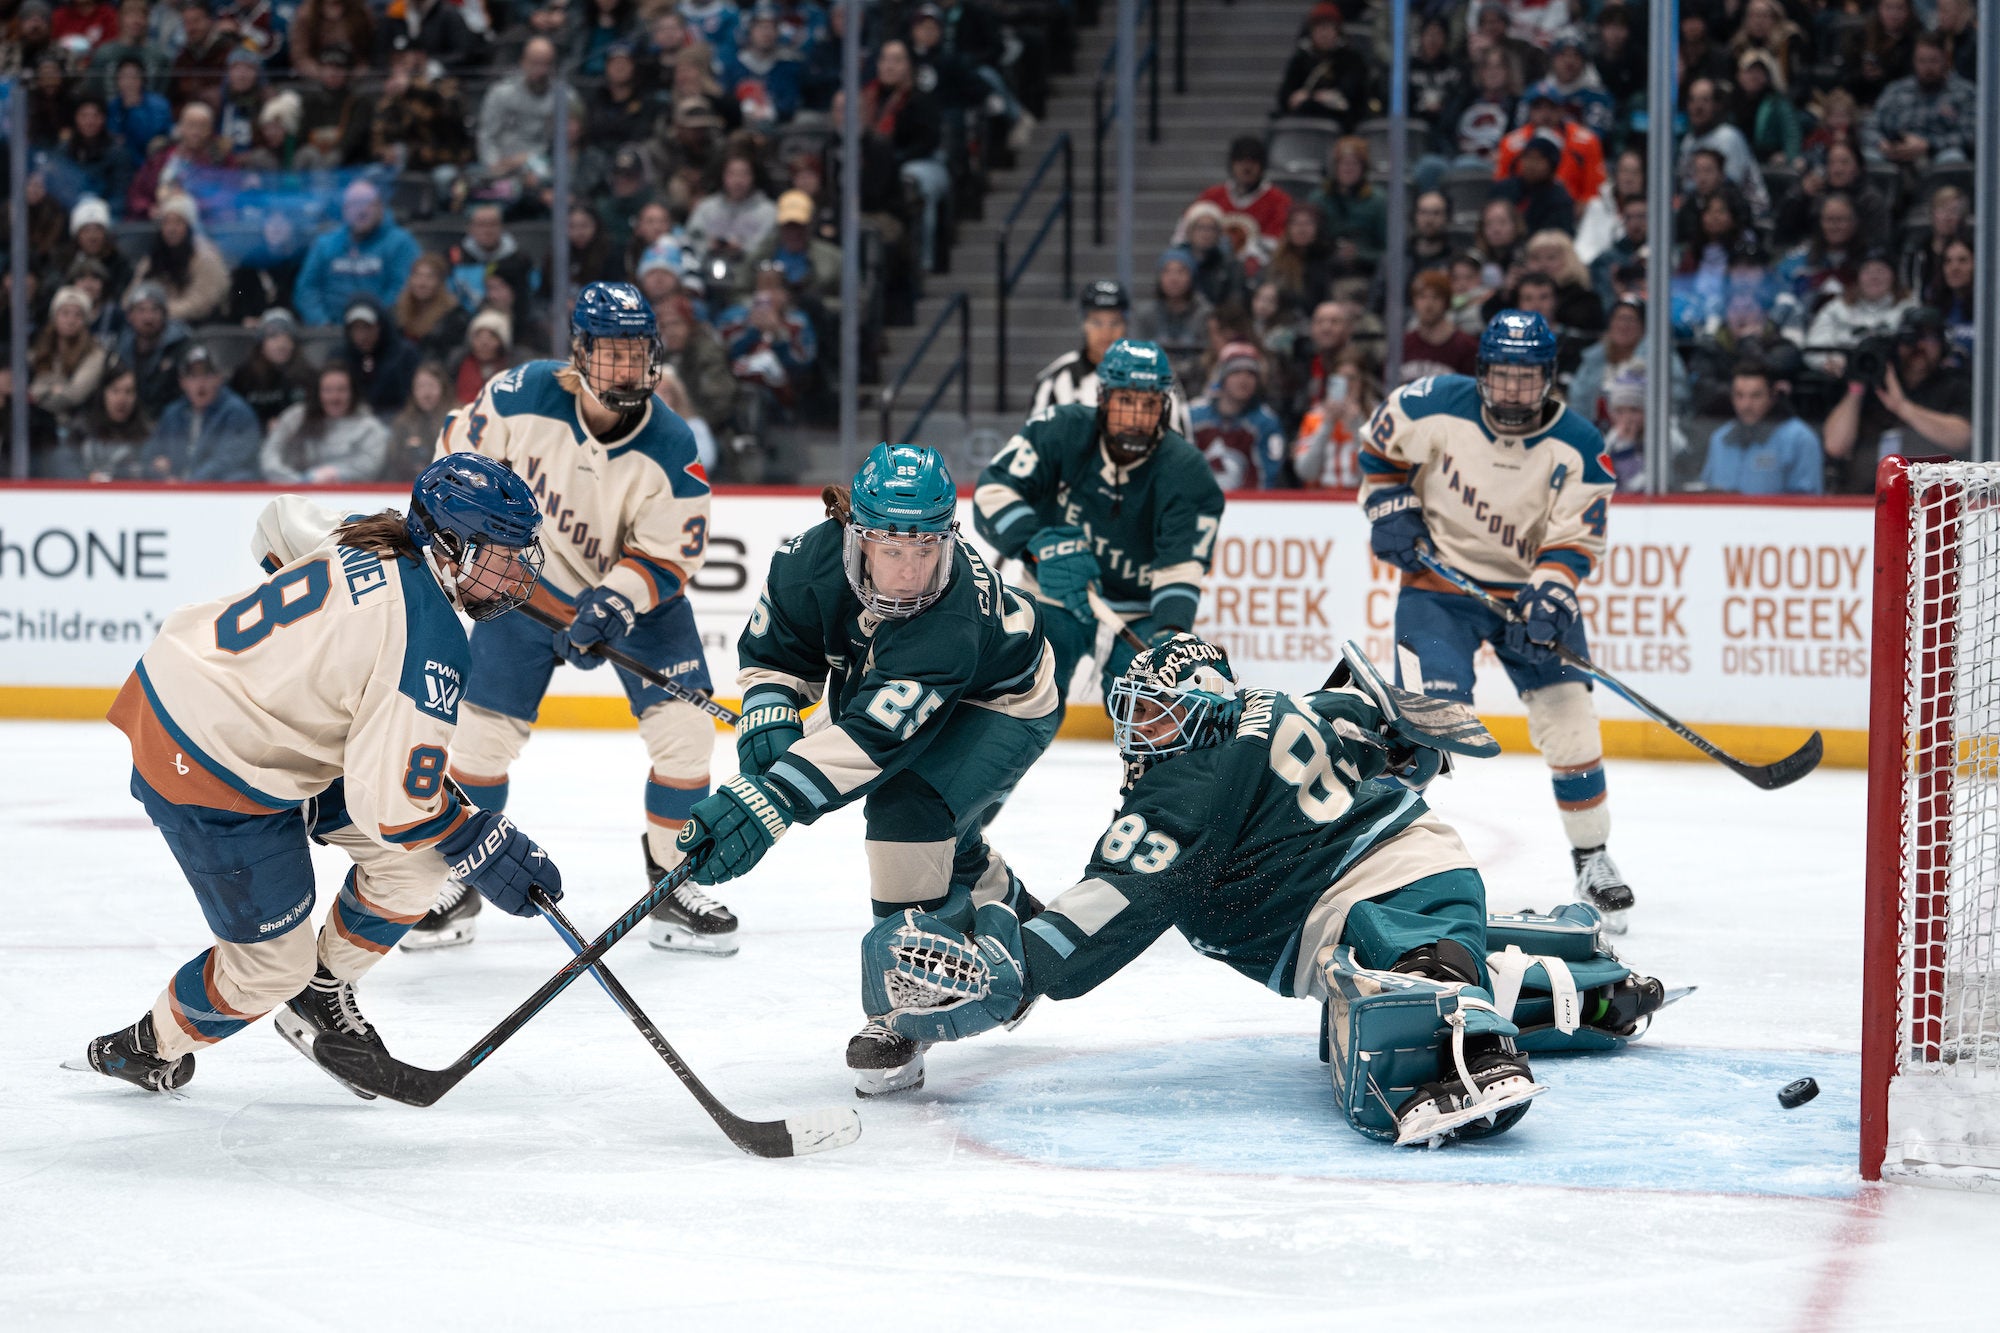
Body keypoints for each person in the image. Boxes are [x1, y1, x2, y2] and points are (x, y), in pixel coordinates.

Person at [849, 634, 1676, 1146]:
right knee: (1376, 984)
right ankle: (1585, 985)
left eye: (1160, 718)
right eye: (1140, 721)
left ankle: (1473, 1048)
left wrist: (1007, 966)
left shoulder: (1186, 787)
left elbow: (1093, 923)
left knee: (1397, 1008)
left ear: (1201, 707)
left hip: (1370, 897)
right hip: (1411, 868)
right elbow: (1385, 725)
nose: (1144, 740)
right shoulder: (1280, 703)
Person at [80, 455, 562, 1096]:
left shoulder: (375, 530)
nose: (515, 570)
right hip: (206, 756)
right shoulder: (433, 637)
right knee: (268, 971)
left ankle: (321, 992)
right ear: (448, 547)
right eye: (500, 552)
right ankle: (148, 1045)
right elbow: (393, 804)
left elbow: (278, 522)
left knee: (416, 866)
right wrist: (480, 841)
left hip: (240, 716)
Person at [666, 443, 1058, 1096]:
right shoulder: (805, 561)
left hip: (1003, 703)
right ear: (856, 536)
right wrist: (769, 716)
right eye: (892, 548)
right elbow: (776, 652)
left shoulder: (949, 618)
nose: (910, 570)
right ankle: (1009, 906)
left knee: (908, 811)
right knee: (843, 787)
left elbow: (875, 741)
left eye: (926, 548)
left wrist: (769, 802)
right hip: (904, 696)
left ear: (947, 538)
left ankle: (902, 1011)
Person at [414, 282, 736, 956]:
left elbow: (674, 547)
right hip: (522, 590)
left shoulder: (671, 443)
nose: (626, 369)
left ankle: (673, 883)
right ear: (580, 354)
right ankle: (462, 876)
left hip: (637, 607)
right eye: (612, 354)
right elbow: (454, 459)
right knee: (478, 743)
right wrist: (484, 549)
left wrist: (619, 597)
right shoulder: (517, 395)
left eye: (636, 354)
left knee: (686, 735)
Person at [1359, 310, 1636, 930]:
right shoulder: (1431, 403)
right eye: (1503, 377)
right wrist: (1391, 507)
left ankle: (1592, 857)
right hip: (1438, 586)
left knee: (1571, 726)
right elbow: (1379, 447)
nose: (1513, 392)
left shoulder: (1582, 444)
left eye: (1527, 378)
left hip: (1531, 593)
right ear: (1482, 373)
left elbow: (1576, 539)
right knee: (1424, 723)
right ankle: (1377, 858)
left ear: (1549, 379)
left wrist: (1550, 593)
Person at [975, 339, 1225, 711]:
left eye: (1149, 405)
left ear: (1164, 407)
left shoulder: (1187, 471)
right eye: (1126, 401)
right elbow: (993, 490)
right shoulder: (1060, 429)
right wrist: (1036, 546)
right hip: (1052, 597)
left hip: (1138, 612)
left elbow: (1180, 567)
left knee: (1162, 706)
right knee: (1017, 692)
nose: (1136, 417)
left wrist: (1171, 633)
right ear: (1105, 398)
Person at [1823, 306, 1972, 494]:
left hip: (1928, 500)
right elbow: (1835, 446)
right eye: (1912, 337)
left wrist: (1902, 407)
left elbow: (1962, 438)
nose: (1919, 346)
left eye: (1929, 338)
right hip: (1863, 499)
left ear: (1943, 343)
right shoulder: (1873, 383)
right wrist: (1857, 383)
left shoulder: (1954, 385)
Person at [1032, 279, 1193, 439]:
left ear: (1126, 324)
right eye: (1096, 322)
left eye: (1115, 322)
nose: (1106, 332)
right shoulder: (1056, 377)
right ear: (1083, 324)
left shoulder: (1155, 373)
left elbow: (1181, 442)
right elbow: (1035, 443)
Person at [293, 180, 421, 328]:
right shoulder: (326, 243)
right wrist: (322, 322)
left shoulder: (401, 243)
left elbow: (402, 289)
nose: (362, 211)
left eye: (368, 204)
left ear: (380, 208)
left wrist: (374, 324)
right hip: (328, 331)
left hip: (380, 330)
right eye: (355, 205)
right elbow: (307, 289)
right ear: (345, 210)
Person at [142, 343, 263, 481]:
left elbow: (228, 461)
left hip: (223, 494)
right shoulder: (173, 413)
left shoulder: (238, 413)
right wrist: (157, 466)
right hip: (178, 491)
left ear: (219, 378)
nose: (200, 383)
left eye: (207, 375)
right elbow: (150, 454)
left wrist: (187, 483)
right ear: (183, 382)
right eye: (193, 376)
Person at [1699, 363, 1822, 496]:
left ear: (1772, 395)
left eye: (1755, 396)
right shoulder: (1720, 438)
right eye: (1739, 395)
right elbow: (1708, 490)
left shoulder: (1800, 438)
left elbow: (1808, 502)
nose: (1746, 405)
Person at [260, 362, 391, 484]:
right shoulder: (295, 418)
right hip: (293, 493)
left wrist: (335, 473)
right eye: (327, 390)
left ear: (353, 392)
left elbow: (371, 466)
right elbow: (270, 455)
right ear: (318, 393)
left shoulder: (369, 427)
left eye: (341, 390)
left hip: (349, 497)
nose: (334, 397)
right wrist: (296, 481)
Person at [1868, 32, 1976, 173]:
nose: (1927, 68)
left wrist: (1929, 145)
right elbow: (1870, 125)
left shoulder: (1964, 92)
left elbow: (1971, 135)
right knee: (1870, 157)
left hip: (1937, 157)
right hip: (1895, 156)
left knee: (1952, 158)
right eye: (1922, 61)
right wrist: (1882, 144)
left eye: (1933, 61)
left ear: (1946, 60)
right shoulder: (1896, 90)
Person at [1188, 341, 1287, 491]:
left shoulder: (1266, 422)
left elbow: (1268, 476)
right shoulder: (1192, 415)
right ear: (1222, 377)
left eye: (1251, 374)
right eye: (1236, 372)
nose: (1244, 380)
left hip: (1248, 508)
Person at [1194, 135, 1292, 278]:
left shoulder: (1279, 201)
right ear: (1232, 164)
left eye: (1252, 162)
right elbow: (1185, 235)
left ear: (1262, 166)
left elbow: (1277, 245)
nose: (1246, 168)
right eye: (1241, 161)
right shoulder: (1210, 197)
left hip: (1261, 273)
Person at [126, 193, 229, 324]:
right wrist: (140, 311)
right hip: (153, 322)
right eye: (166, 223)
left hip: (194, 325)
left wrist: (158, 313)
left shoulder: (206, 257)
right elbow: (133, 294)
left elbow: (201, 304)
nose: (171, 229)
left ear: (189, 226)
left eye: (178, 223)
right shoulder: (154, 258)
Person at [1274, 3, 1376, 128]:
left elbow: (1349, 93)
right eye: (1319, 28)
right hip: (1302, 119)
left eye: (1328, 28)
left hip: (1342, 123)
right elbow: (1286, 94)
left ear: (1337, 31)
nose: (1324, 34)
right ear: (1311, 31)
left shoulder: (1351, 59)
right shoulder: (1301, 59)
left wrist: (1311, 97)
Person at [27, 285, 108, 429]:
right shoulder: (39, 348)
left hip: (75, 426)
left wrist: (36, 394)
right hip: (35, 423)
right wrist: (52, 389)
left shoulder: (95, 354)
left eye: (78, 315)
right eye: (65, 313)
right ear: (54, 316)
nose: (71, 320)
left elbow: (74, 394)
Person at [58, 362, 154, 481]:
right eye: (115, 391)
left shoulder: (147, 434)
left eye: (128, 392)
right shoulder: (81, 428)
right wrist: (86, 478)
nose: (121, 399)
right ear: (103, 393)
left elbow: (149, 472)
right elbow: (65, 466)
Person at [229, 308, 318, 427]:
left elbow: (317, 415)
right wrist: (264, 424)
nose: (281, 344)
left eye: (287, 338)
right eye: (273, 337)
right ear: (261, 344)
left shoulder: (308, 375)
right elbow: (232, 415)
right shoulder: (244, 375)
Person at [116, 283, 192, 416]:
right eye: (141, 310)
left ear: (165, 315)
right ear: (129, 316)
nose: (148, 317)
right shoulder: (121, 346)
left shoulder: (182, 347)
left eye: (155, 310)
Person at [1399, 271, 1478, 382]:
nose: (1428, 304)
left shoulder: (1466, 347)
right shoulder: (1402, 344)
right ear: (1414, 301)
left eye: (1435, 297)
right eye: (1422, 297)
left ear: (1446, 302)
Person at [384, 361, 454, 481]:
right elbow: (394, 461)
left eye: (431, 386)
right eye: (420, 387)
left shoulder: (457, 420)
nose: (426, 394)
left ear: (443, 388)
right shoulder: (403, 423)